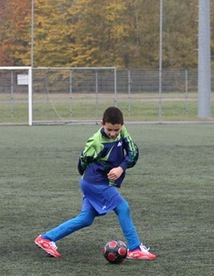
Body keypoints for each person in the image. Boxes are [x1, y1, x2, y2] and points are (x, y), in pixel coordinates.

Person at [35, 106, 156, 260]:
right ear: (102, 124)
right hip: (95, 182)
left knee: (86, 218)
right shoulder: (95, 142)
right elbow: (82, 163)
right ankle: (134, 248)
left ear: (122, 125)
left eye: (116, 130)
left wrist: (120, 168)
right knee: (123, 207)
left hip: (97, 182)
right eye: (109, 130)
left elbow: (133, 153)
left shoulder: (123, 132)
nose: (113, 134)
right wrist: (94, 177)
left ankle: (46, 238)